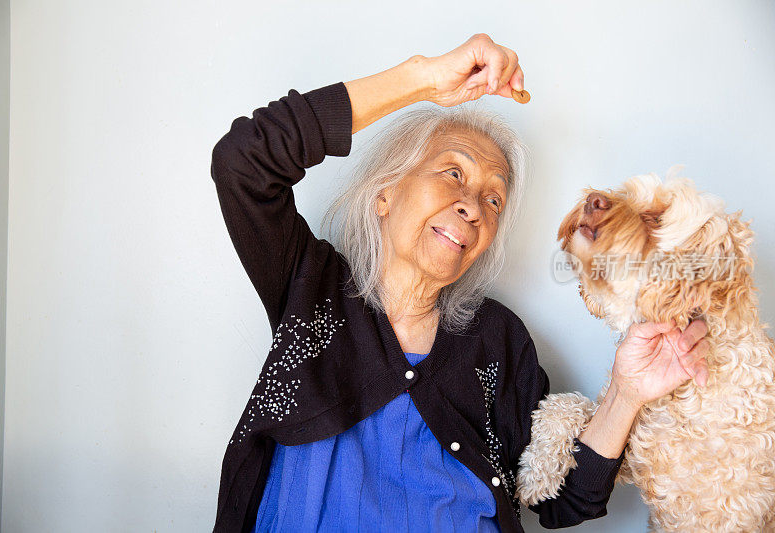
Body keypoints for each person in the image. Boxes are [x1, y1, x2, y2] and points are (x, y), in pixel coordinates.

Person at [209, 33, 710, 532]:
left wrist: (626, 394)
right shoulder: (312, 287)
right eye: (452, 173)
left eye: (493, 200)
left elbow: (561, 501)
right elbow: (243, 161)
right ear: (385, 194)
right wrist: (422, 78)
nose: (473, 206)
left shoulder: (498, 339)